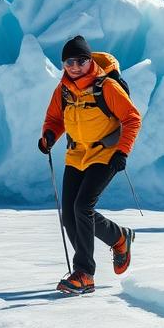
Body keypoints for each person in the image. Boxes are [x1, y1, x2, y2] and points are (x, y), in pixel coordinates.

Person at [39, 35, 142, 294]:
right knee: (70, 217)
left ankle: (84, 273)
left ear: (89, 61)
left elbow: (131, 118)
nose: (75, 66)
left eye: (81, 61)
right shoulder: (62, 89)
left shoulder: (106, 86)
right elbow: (54, 118)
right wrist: (49, 135)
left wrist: (123, 151)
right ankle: (118, 238)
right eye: (69, 61)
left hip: (106, 154)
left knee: (82, 207)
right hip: (76, 155)